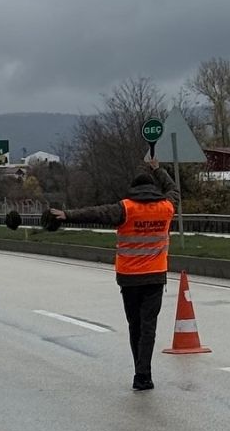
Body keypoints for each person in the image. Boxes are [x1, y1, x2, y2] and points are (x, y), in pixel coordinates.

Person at [50, 158, 179, 391]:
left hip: (129, 278)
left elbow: (96, 213)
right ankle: (144, 374)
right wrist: (158, 169)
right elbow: (173, 189)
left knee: (135, 326)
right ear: (153, 189)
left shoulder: (126, 208)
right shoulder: (166, 207)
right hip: (155, 276)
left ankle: (139, 369)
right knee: (149, 326)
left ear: (134, 190)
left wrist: (67, 215)